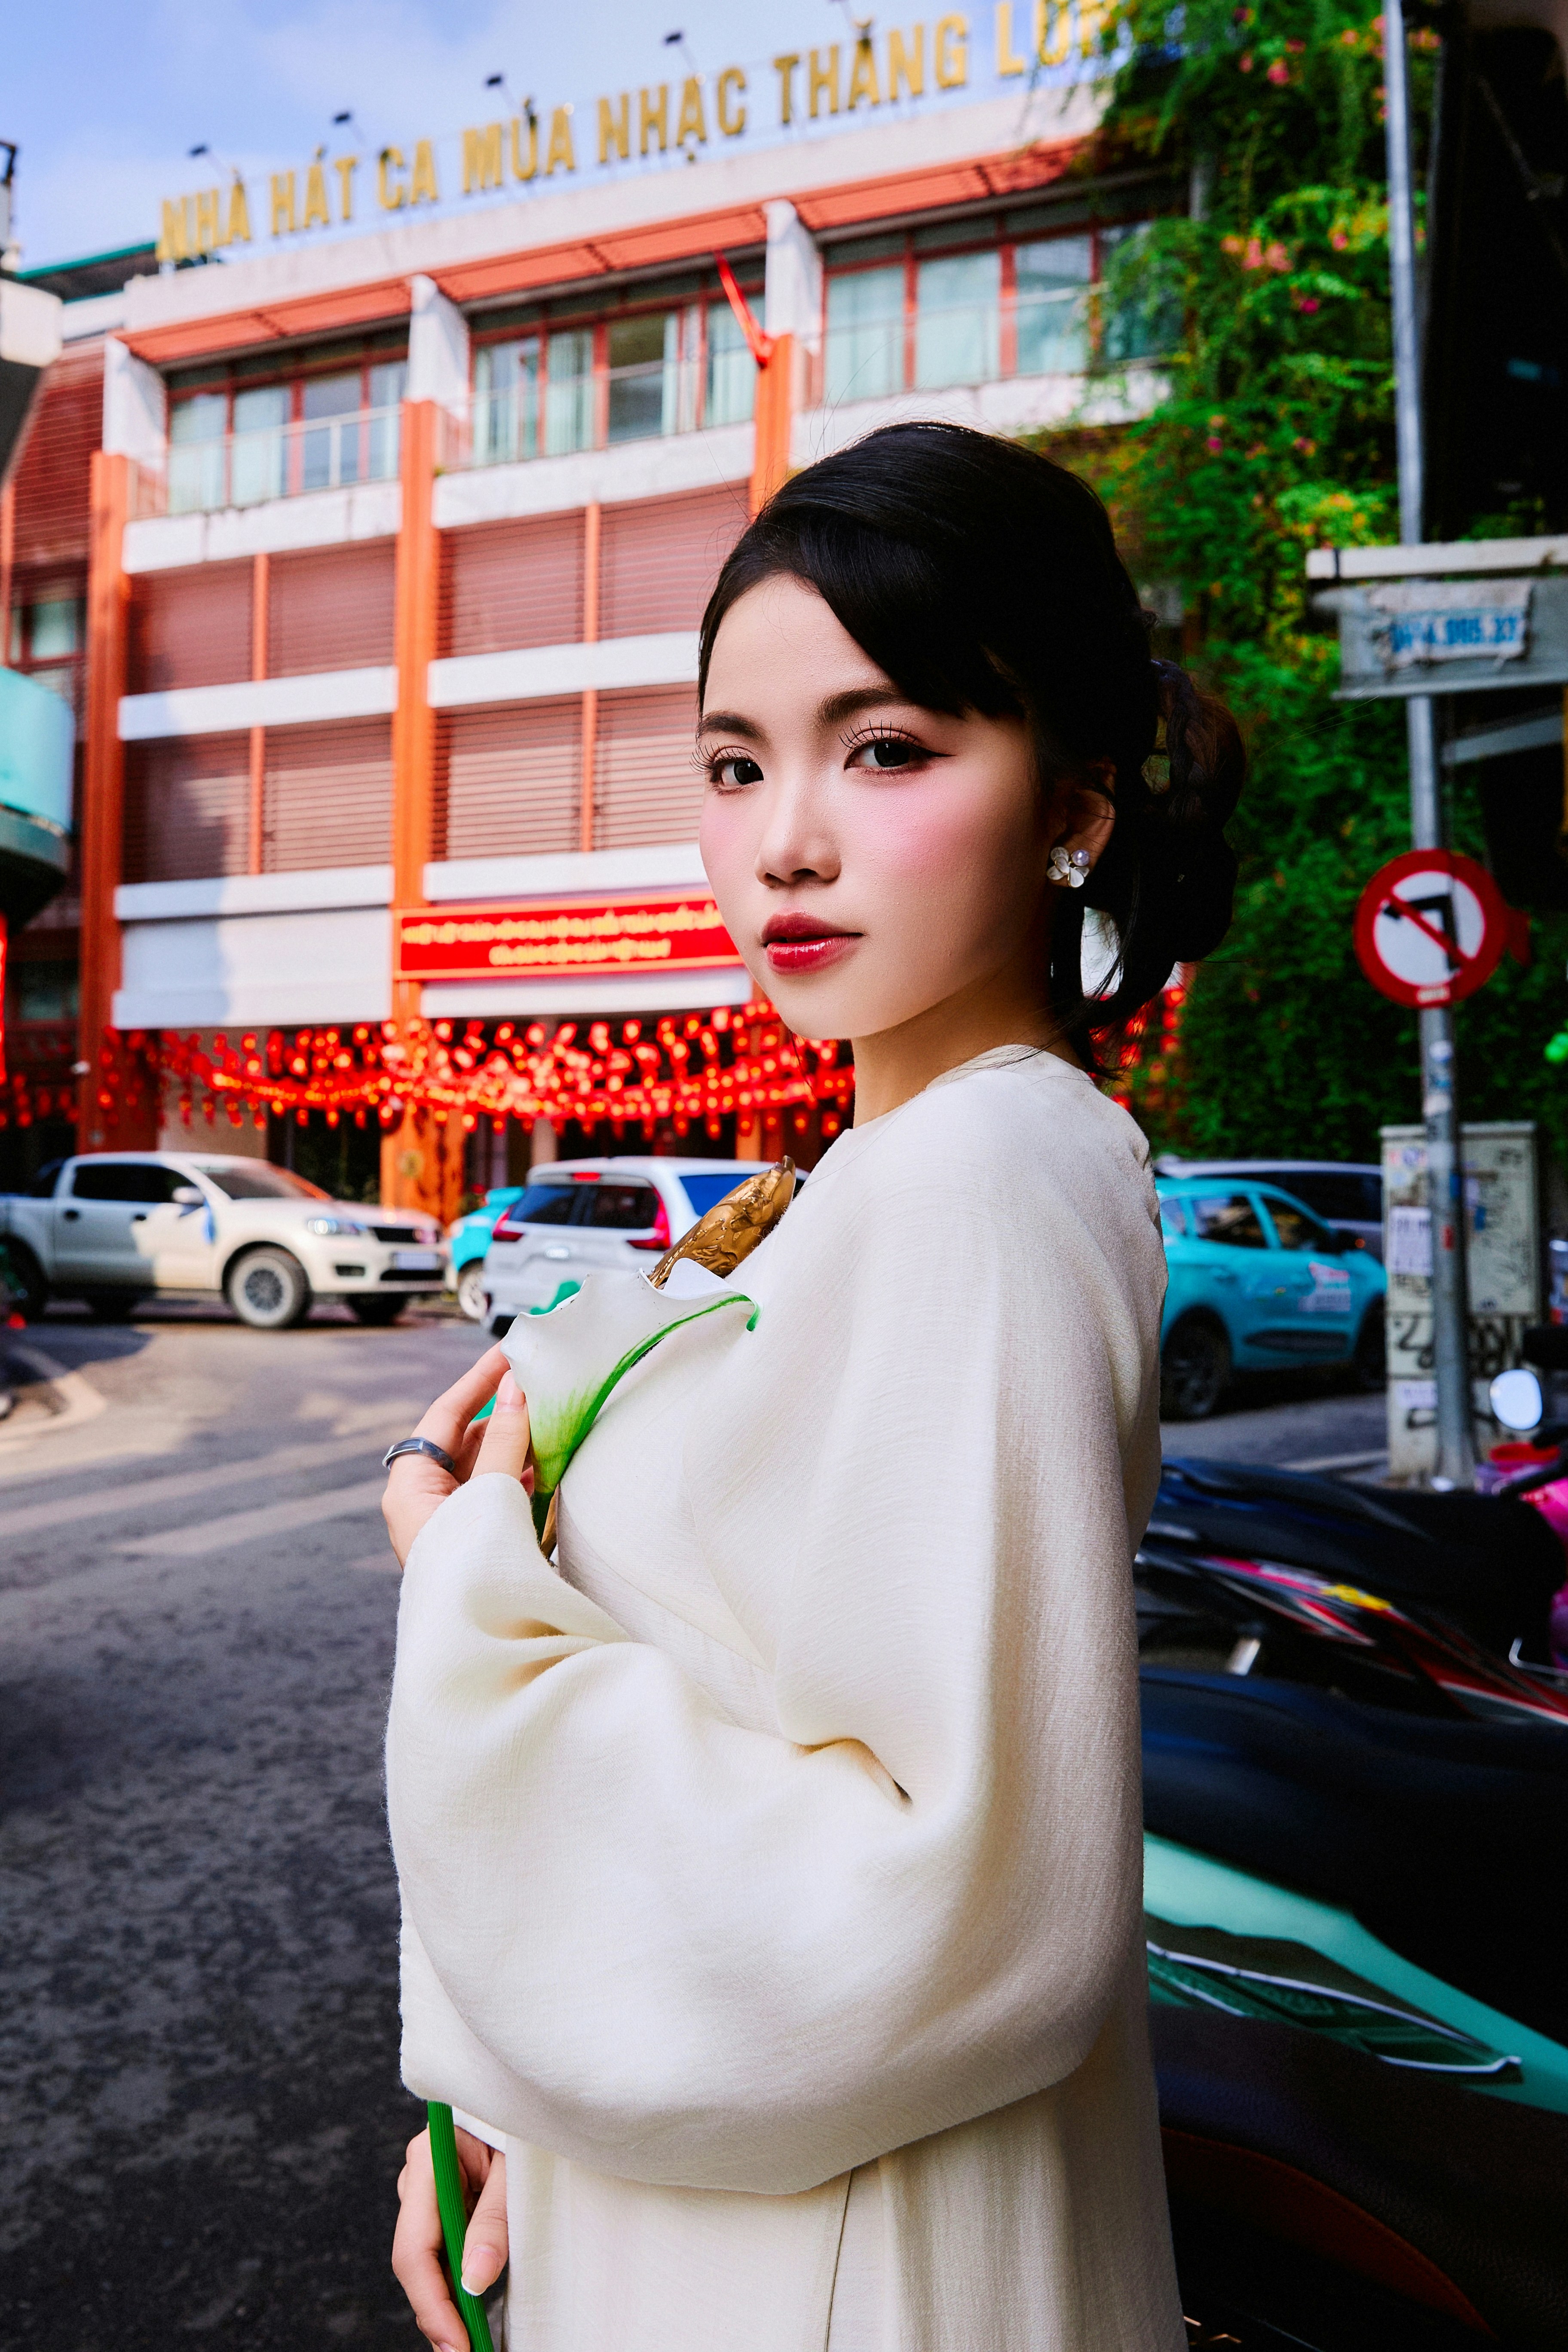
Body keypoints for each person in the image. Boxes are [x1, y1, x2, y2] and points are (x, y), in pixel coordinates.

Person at [380, 420, 1244, 2352]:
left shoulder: (982, 1179)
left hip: (845, 2257)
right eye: (734, 763)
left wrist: (459, 1572)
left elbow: (949, 1906)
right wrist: (531, 2091)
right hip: (756, 2193)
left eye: (887, 749)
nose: (786, 837)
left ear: (1075, 803)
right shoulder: (877, 1181)